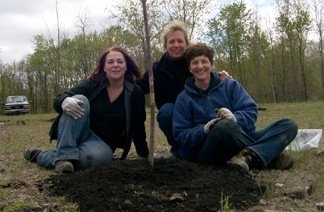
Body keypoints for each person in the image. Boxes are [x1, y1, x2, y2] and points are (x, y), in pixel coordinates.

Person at [172, 42, 298, 172]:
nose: (200, 66)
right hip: (209, 150)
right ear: (189, 68)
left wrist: (235, 118)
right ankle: (268, 156)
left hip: (240, 136)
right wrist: (204, 129)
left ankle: (247, 156)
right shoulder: (184, 98)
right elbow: (181, 135)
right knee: (223, 127)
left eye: (204, 61)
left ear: (211, 64)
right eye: (195, 63)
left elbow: (251, 111)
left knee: (288, 125)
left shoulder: (230, 85)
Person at [24, 46, 149, 173]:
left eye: (120, 61)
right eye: (110, 62)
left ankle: (41, 155)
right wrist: (63, 101)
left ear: (126, 66)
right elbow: (59, 98)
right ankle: (65, 156)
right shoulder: (92, 83)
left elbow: (138, 126)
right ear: (104, 67)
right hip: (78, 132)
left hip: (101, 144)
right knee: (78, 99)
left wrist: (144, 155)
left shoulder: (135, 93)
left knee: (93, 160)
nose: (115, 65)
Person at [137, 20, 229, 150]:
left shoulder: (195, 64)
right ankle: (180, 147)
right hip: (174, 116)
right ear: (165, 45)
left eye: (180, 41)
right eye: (171, 42)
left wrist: (221, 78)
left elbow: (208, 76)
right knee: (165, 112)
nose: (176, 45)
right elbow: (138, 87)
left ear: (186, 44)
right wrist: (117, 82)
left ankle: (208, 142)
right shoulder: (156, 70)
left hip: (196, 112)